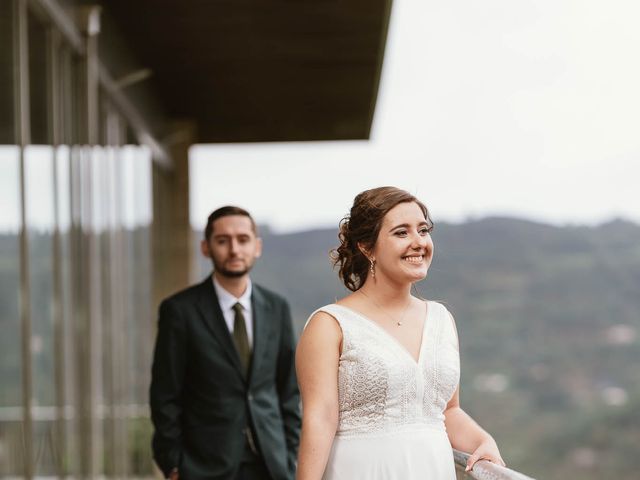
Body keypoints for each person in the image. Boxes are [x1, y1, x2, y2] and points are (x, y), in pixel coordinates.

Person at [295, 187, 504, 480]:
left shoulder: (441, 320)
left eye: (423, 230)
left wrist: (483, 441)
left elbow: (447, 411)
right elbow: (320, 419)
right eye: (401, 233)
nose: (418, 242)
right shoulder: (330, 325)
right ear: (367, 247)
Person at [150, 206, 301, 480]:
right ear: (206, 247)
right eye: (223, 240)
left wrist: (291, 456)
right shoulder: (179, 311)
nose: (234, 249)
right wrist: (173, 464)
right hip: (203, 466)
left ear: (257, 246)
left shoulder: (277, 308)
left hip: (272, 464)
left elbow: (288, 390)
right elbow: (165, 395)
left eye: (243, 239)